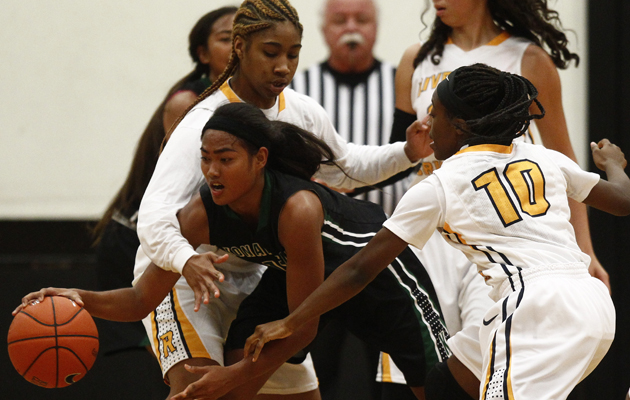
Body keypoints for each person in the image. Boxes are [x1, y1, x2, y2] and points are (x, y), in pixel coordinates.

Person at [243, 64, 629, 400]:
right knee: (447, 385)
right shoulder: (542, 157)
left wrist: (292, 321)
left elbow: (360, 269)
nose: (426, 124)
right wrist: (613, 164)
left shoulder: (441, 185)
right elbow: (622, 201)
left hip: (535, 307)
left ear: (460, 126)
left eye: (434, 114)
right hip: (592, 305)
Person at [15, 102, 449, 400]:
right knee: (240, 363)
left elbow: (303, 326)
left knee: (435, 387)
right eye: (206, 159)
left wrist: (230, 377)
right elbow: (141, 299)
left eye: (226, 159)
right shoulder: (202, 212)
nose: (212, 171)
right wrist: (79, 298)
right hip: (295, 278)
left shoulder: (296, 209)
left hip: (375, 274)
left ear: (260, 159)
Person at [132, 0, 430, 398]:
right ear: (240, 48)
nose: (283, 67)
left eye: (292, 55)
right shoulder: (203, 122)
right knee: (201, 393)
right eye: (270, 53)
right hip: (185, 278)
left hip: (257, 273)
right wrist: (186, 261)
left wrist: (407, 152)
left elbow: (345, 167)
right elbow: (152, 218)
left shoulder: (302, 111)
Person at [385, 0, 611, 397]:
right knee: (418, 375)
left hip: (498, 241)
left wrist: (586, 249)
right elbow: (397, 153)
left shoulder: (529, 57)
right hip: (429, 233)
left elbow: (565, 163)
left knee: (485, 375)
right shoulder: (414, 59)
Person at [87, 6, 237, 391]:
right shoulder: (187, 103)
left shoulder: (247, 103)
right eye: (226, 39)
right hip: (142, 237)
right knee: (168, 377)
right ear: (203, 53)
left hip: (186, 241)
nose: (238, 48)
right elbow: (195, 190)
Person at [290, 1, 401, 398]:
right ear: (322, 30)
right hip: (320, 254)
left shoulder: (398, 84)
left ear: (376, 27)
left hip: (390, 250)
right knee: (316, 369)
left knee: (392, 376)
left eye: (362, 19)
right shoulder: (296, 90)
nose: (351, 28)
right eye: (340, 20)